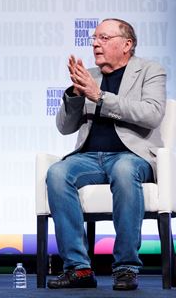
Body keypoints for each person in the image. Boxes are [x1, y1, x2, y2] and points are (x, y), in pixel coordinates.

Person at [46, 18, 166, 290]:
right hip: (89, 157)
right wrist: (76, 95)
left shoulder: (150, 71)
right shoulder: (89, 75)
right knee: (57, 173)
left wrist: (100, 96)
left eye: (103, 38)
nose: (95, 44)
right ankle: (79, 268)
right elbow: (64, 128)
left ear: (127, 44)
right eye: (94, 38)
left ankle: (126, 267)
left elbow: (151, 114)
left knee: (124, 171)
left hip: (132, 156)